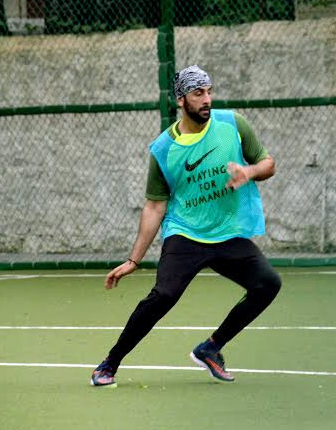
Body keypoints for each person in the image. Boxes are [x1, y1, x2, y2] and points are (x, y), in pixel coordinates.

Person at [89, 65, 281, 388]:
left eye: (209, 91)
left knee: (268, 284)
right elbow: (154, 206)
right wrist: (134, 260)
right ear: (181, 100)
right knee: (163, 295)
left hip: (226, 232)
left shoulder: (233, 125)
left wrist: (249, 172)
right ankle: (110, 363)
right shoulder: (164, 149)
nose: (207, 99)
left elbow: (268, 163)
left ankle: (211, 347)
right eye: (198, 93)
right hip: (186, 234)